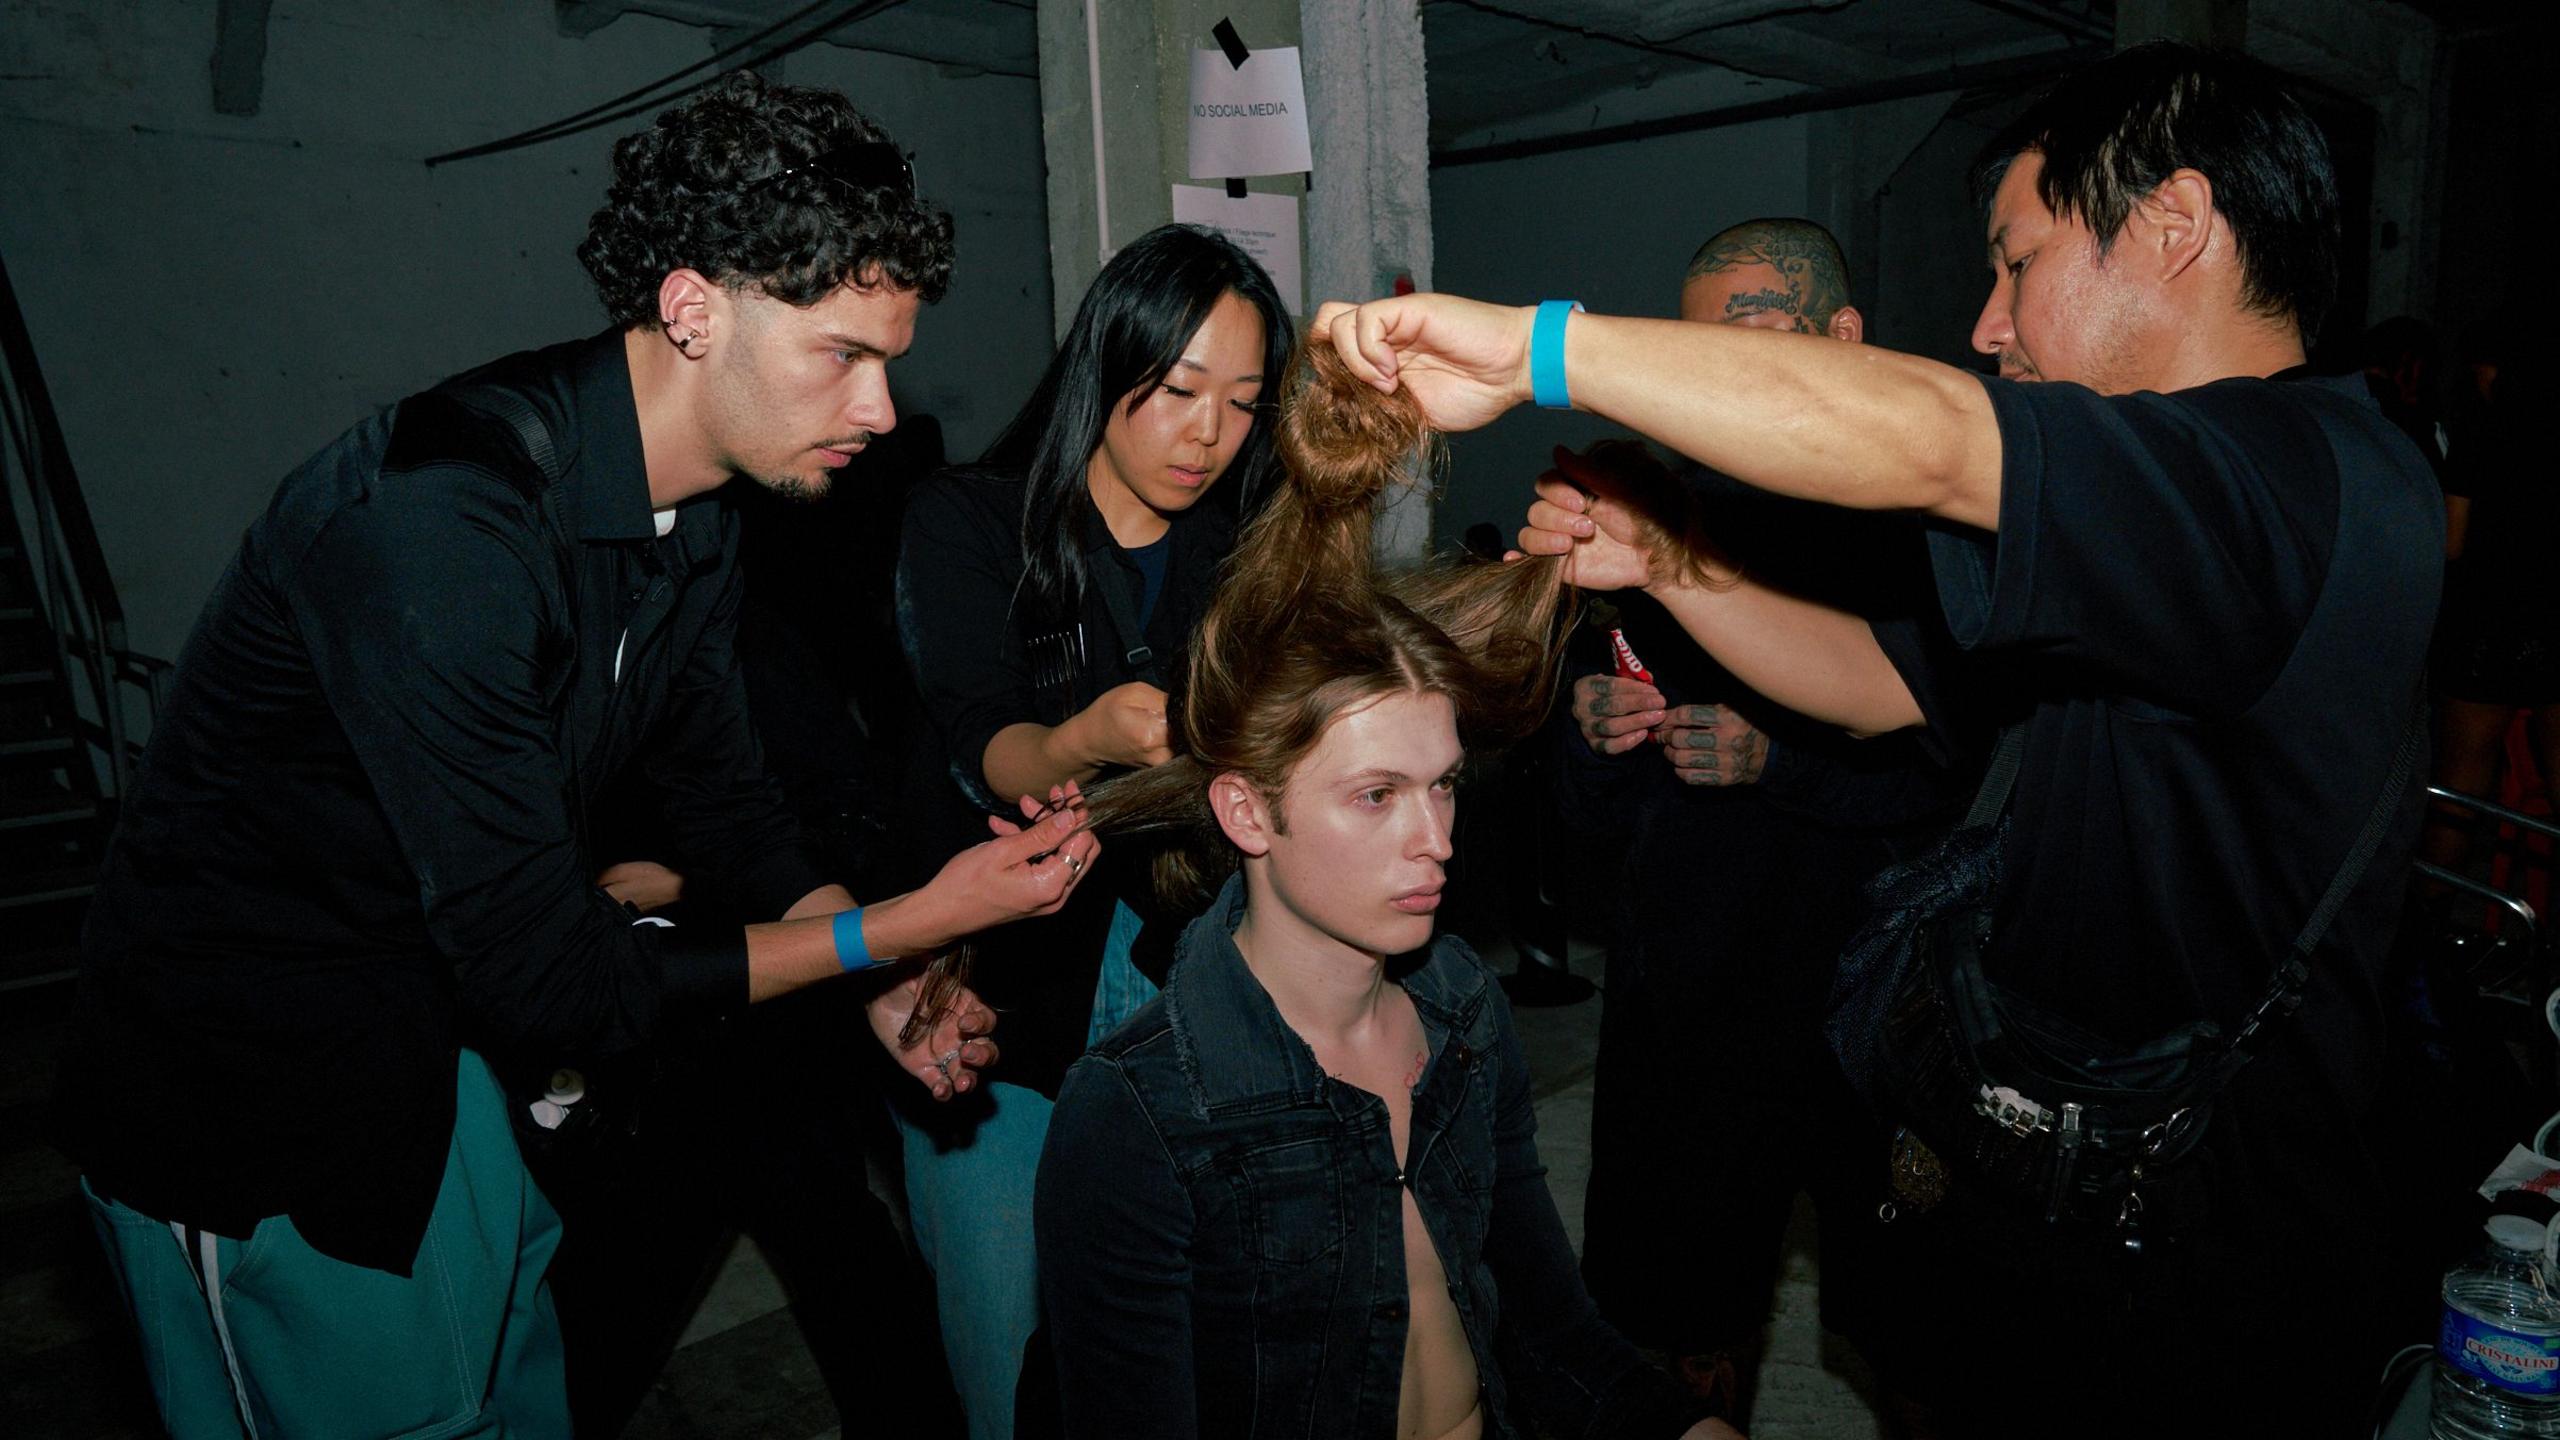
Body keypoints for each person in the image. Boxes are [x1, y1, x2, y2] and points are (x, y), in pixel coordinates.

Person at [1315, 41, 2440, 1436]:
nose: (1989, 321)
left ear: (2175, 230)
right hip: (2057, 1202)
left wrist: (1540, 350)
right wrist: (1667, 564)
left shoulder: (2284, 476)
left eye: (2017, 262)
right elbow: (1874, 681)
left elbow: (1943, 443)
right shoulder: (2167, 519)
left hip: (2194, 1271)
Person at [53, 71, 1099, 1439]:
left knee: (516, 1394)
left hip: (438, 1067)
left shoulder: (700, 509)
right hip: (252, 1113)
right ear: (692, 309)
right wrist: (902, 922)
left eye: (890, 357)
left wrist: (879, 973)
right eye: (844, 354)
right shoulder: (438, 528)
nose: (884, 407)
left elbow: (731, 804)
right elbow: (554, 972)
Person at [1034, 337, 1741, 1440]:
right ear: (1245, 811)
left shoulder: (1458, 1007)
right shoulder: (1139, 1110)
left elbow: (1547, 1332)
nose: (1436, 841)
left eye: (1444, 786)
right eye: (1375, 797)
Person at [890, 221, 1292, 1437]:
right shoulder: (971, 521)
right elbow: (984, 743)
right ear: (1103, 367)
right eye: (1175, 391)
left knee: (1189, 1356)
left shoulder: (1241, 551)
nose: (1207, 433)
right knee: (1006, 1351)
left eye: (1240, 401)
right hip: (998, 997)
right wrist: (1085, 743)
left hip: (1190, 989)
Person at [1557, 218, 1958, 1421]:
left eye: (1744, 334)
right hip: (1686, 1001)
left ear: (1843, 336)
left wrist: (1777, 764)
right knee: (1675, 1325)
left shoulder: (1927, 533)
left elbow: (1954, 796)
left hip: (1868, 1006)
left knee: (1916, 1328)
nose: (1708, 381)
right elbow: (1582, 847)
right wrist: (1584, 731)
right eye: (1689, 352)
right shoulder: (1650, 518)